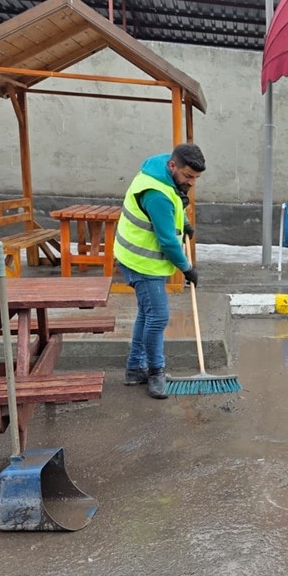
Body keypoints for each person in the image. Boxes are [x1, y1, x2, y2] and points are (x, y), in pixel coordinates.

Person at [113, 143, 204, 399]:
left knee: (147, 313)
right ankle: (156, 372)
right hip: (142, 262)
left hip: (137, 255)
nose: (192, 182)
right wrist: (187, 269)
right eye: (188, 177)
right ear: (173, 166)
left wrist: (184, 222)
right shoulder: (156, 194)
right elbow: (166, 241)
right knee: (158, 317)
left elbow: (177, 197)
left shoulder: (163, 169)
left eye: (196, 178)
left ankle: (134, 369)